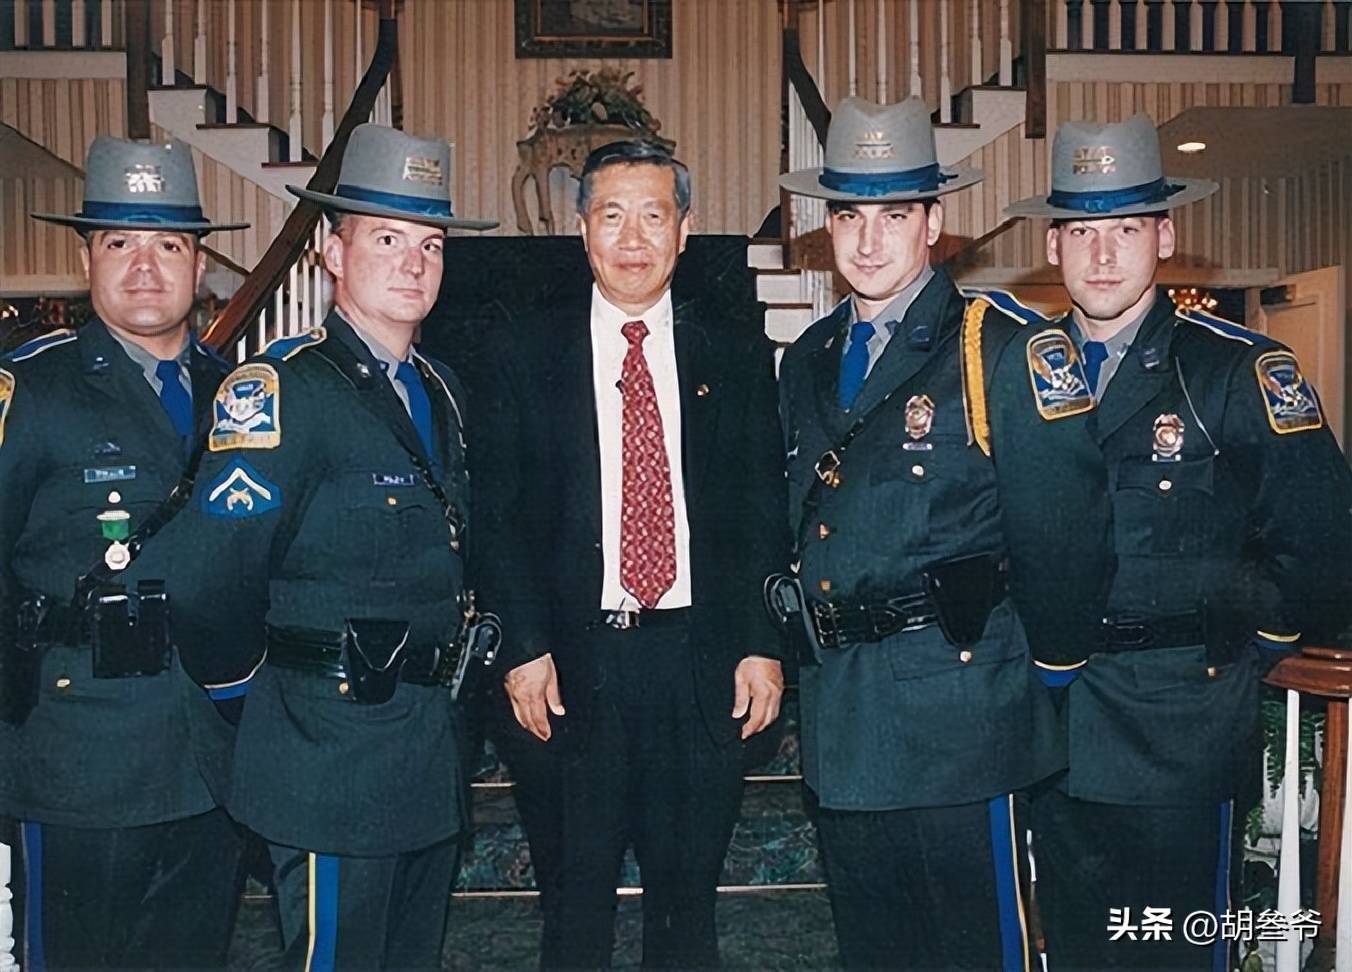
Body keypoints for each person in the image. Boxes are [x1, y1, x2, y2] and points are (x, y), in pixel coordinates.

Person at [120, 123, 497, 969]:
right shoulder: (283, 390)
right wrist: (255, 709)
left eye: (430, 244)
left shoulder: (441, 391)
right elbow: (206, 581)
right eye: (387, 239)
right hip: (327, 759)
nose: (412, 263)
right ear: (334, 252)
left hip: (427, 753)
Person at [1007, 114, 1352, 972]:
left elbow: (1324, 539)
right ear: (1053, 245)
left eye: (1125, 230)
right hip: (1055, 723)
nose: (1102, 256)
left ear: (1164, 236)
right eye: (1081, 232)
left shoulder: (1234, 369)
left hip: (1179, 727)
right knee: (1077, 947)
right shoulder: (1018, 369)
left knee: (1171, 950)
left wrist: (1255, 638)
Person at [775, 96, 1110, 970]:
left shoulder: (998, 346)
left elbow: (1066, 533)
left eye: (894, 216)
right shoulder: (809, 358)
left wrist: (1044, 674)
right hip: (844, 720)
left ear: (933, 224)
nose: (868, 241)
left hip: (964, 720)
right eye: (849, 216)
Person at [474, 139, 789, 969]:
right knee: (573, 910)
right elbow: (496, 517)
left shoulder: (734, 352)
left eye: (654, 215)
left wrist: (761, 639)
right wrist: (521, 647)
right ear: (582, 229)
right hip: (569, 670)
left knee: (687, 915)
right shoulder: (522, 352)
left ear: (684, 231)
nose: (632, 237)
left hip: (699, 664)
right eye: (611, 215)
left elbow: (761, 506)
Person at [0, 135, 248, 968]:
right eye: (120, 244)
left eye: (168, 246)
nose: (145, 267)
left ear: (199, 264)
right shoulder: (32, 390)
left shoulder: (238, 396)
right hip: (76, 760)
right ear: (87, 259)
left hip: (210, 766)